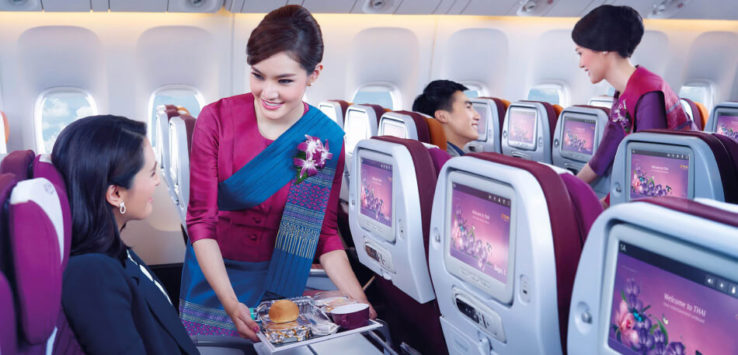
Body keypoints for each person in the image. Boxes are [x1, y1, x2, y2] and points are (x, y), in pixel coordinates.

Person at [180, 5, 374, 341]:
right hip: (214, 280)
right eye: (258, 75)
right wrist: (229, 301)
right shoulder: (217, 120)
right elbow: (200, 221)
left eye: (284, 80)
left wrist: (359, 299)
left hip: (280, 282)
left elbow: (322, 231)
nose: (268, 92)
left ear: (314, 74)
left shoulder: (324, 137)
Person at [54, 115, 198, 354]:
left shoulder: (115, 250)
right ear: (116, 194)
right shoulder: (92, 274)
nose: (158, 183)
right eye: (151, 173)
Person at [572, 5, 695, 202]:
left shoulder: (649, 94)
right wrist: (569, 188)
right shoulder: (624, 91)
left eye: (580, 53)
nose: (580, 64)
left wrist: (602, 206)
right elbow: (603, 156)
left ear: (603, 48)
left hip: (675, 195)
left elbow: (647, 173)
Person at [412, 80, 481, 157]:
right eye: (468, 107)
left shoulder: (430, 155)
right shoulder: (452, 163)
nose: (478, 116)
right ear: (442, 116)